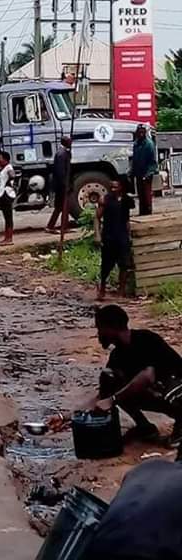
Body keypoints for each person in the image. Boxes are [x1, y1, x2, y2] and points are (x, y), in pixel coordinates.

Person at [91, 305, 182, 445]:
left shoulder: (145, 339)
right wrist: (65, 416)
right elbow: (102, 396)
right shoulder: (117, 355)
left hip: (175, 389)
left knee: (166, 387)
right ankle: (145, 428)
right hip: (161, 392)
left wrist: (113, 399)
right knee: (109, 379)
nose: (99, 334)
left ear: (113, 327)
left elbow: (147, 377)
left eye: (100, 328)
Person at [97, 179, 135, 298]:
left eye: (115, 187)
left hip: (122, 235)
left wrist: (129, 235)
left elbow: (127, 219)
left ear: (121, 187)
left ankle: (121, 290)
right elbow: (97, 217)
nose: (113, 189)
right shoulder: (105, 200)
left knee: (123, 264)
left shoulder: (127, 201)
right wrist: (97, 235)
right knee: (106, 264)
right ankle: (102, 287)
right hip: (109, 235)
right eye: (111, 187)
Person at [46, 136, 72, 233]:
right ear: (65, 142)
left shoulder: (64, 152)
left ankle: (60, 226)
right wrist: (65, 185)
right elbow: (61, 171)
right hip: (61, 185)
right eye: (69, 142)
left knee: (62, 206)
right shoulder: (62, 154)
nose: (71, 143)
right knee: (63, 206)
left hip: (61, 184)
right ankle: (56, 226)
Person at [131, 124, 157, 216]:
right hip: (138, 172)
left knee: (146, 194)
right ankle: (142, 212)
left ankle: (148, 212)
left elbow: (152, 161)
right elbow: (134, 159)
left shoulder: (149, 144)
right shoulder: (136, 144)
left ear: (145, 132)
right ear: (137, 133)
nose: (141, 134)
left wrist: (149, 173)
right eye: (139, 132)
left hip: (147, 173)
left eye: (142, 132)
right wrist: (132, 172)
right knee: (140, 194)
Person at [0, 150, 16, 246]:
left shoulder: (8, 167)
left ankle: (9, 239)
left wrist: (10, 181)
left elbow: (12, 175)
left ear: (5, 160)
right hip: (2, 194)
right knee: (6, 218)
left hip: (6, 195)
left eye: (0, 159)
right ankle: (7, 238)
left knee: (8, 218)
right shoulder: (3, 168)